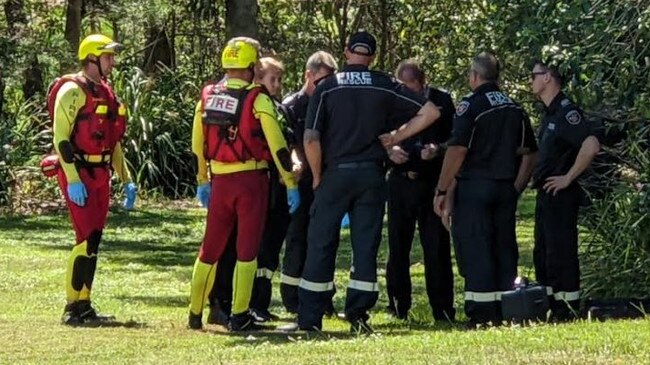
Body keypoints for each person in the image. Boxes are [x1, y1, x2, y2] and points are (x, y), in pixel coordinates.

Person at [281, 31, 440, 333]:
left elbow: (311, 138)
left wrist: (316, 176)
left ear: (346, 52)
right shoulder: (384, 85)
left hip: (335, 174)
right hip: (372, 175)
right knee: (365, 246)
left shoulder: (328, 87)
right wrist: (396, 137)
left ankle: (310, 317)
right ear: (373, 57)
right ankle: (358, 315)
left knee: (321, 242)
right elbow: (430, 112)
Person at [188, 37, 300, 331]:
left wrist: (203, 178)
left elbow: (198, 144)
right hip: (251, 181)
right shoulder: (258, 98)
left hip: (219, 180)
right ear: (251, 67)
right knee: (247, 250)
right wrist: (289, 181)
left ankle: (195, 313)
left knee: (209, 249)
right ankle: (240, 314)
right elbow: (277, 145)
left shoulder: (208, 95)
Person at [433, 52, 538, 327]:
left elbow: (457, 150)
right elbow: (529, 153)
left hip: (475, 188)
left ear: (474, 76)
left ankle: (481, 313)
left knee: (475, 247)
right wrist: (516, 187)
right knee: (504, 247)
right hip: (504, 187)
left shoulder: (471, 105)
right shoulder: (515, 108)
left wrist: (442, 190)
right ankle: (508, 308)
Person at [52, 34, 137, 325]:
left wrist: (126, 179)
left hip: (101, 173)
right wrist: (73, 178)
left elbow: (113, 142)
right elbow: (61, 139)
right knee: (84, 238)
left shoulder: (106, 92)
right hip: (79, 174)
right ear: (92, 58)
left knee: (94, 240)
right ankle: (72, 307)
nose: (112, 62)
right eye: (108, 57)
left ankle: (85, 304)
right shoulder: (72, 91)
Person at [529, 59, 601, 321]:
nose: (531, 81)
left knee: (561, 252)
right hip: (546, 194)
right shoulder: (549, 112)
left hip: (561, 195)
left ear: (548, 77)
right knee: (544, 252)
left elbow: (591, 144)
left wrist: (568, 177)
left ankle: (567, 308)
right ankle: (549, 306)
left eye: (534, 75)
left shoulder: (566, 111)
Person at [384, 59, 455, 321]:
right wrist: (391, 151)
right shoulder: (392, 99)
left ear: (423, 83)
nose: (408, 93)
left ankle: (443, 309)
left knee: (436, 246)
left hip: (431, 181)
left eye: (412, 87)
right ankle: (397, 305)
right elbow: (380, 134)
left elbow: (456, 139)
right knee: (398, 246)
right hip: (401, 179)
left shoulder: (442, 101)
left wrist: (437, 149)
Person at [279, 51, 339, 315]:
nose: (326, 85)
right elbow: (286, 141)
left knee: (325, 241)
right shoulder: (291, 105)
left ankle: (323, 297)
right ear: (309, 75)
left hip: (325, 181)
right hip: (299, 183)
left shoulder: (332, 103)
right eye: (322, 79)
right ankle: (291, 299)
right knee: (297, 239)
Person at [248, 57, 295, 322]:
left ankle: (262, 303)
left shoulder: (280, 107)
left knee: (273, 245)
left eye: (279, 80)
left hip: (282, 185)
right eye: (272, 79)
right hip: (264, 182)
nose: (276, 85)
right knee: (260, 245)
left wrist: (294, 167)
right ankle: (253, 303)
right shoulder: (257, 106)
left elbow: (289, 141)